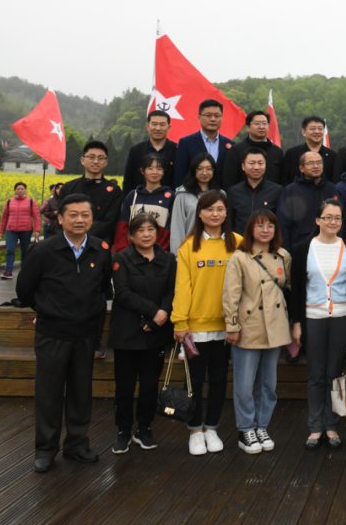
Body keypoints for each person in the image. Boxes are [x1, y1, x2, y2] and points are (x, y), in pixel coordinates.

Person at [18, 193, 110, 473]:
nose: (79, 220)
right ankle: (45, 449)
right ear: (59, 218)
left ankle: (77, 445)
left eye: (85, 215)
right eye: (73, 215)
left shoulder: (100, 249)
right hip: (53, 333)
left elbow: (103, 287)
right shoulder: (43, 250)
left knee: (81, 391)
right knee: (49, 392)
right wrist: (47, 309)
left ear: (92, 219)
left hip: (86, 334)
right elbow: (24, 290)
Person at [172, 190, 241, 456]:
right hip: (195, 328)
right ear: (199, 214)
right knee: (195, 381)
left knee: (219, 378)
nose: (215, 214)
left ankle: (211, 428)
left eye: (220, 209)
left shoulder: (238, 242)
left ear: (226, 213)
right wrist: (180, 322)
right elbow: (182, 287)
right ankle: (195, 430)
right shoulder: (189, 246)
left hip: (227, 326)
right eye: (209, 209)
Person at [288, 200, 346, 449]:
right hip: (313, 318)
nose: (333, 222)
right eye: (328, 217)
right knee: (316, 375)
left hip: (343, 318)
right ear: (317, 220)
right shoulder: (303, 249)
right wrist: (297, 322)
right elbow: (296, 290)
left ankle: (332, 426)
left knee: (334, 374)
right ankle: (315, 427)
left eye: (337, 218)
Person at [223, 209, 291, 455]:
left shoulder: (283, 256)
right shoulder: (239, 257)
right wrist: (232, 325)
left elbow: (288, 289)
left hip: (275, 327)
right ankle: (245, 429)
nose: (265, 230)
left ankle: (262, 426)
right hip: (249, 327)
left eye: (270, 226)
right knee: (244, 384)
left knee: (268, 383)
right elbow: (230, 295)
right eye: (260, 225)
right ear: (250, 229)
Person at [108, 213, 175, 455]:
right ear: (131, 235)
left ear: (158, 233)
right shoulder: (121, 258)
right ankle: (123, 430)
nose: (146, 234)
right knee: (124, 386)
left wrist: (160, 316)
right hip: (127, 331)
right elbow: (123, 293)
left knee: (149, 385)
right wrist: (153, 312)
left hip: (155, 331)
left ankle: (144, 427)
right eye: (140, 230)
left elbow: (171, 291)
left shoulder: (168, 259)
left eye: (151, 229)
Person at [57, 140, 123, 245]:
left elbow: (110, 221)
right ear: (82, 160)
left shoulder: (114, 191)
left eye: (100, 158)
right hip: (70, 241)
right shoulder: (68, 188)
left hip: (101, 243)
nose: (96, 161)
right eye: (91, 157)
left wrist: (86, 239)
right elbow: (62, 216)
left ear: (106, 162)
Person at [114, 153, 174, 253]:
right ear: (142, 171)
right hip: (132, 254)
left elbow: (170, 230)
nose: (155, 172)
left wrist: (159, 254)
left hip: (159, 254)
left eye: (159, 169)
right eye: (150, 168)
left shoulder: (171, 197)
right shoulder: (133, 195)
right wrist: (124, 253)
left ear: (164, 172)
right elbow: (122, 228)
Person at [278, 151, 338, 250]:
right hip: (300, 247)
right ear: (301, 168)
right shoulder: (291, 190)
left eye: (319, 162)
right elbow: (283, 225)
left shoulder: (331, 188)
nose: (316, 166)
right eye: (311, 163)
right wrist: (285, 251)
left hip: (328, 246)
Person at [173, 99, 235, 186]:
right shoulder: (186, 143)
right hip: (193, 192)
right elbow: (180, 174)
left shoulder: (231, 145)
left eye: (217, 116)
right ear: (199, 118)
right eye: (208, 115)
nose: (213, 119)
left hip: (221, 193)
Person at [169, 153, 222, 253]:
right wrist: (177, 255)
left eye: (209, 169)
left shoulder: (221, 195)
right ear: (193, 170)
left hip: (216, 250)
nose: (205, 172)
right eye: (200, 168)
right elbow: (177, 228)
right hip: (190, 250)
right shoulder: (182, 195)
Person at [226, 147, 283, 236]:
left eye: (260, 163)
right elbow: (230, 222)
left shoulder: (277, 191)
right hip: (240, 241)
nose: (256, 167)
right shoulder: (234, 192)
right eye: (251, 163)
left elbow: (281, 223)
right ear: (243, 166)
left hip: (266, 241)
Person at [222, 110, 283, 190]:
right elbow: (229, 179)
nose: (261, 127)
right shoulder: (237, 150)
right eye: (257, 123)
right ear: (248, 127)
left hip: (272, 196)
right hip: (243, 195)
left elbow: (282, 179)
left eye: (265, 123)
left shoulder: (277, 151)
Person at [123, 110, 178, 190]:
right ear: (147, 126)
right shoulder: (136, 150)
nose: (158, 128)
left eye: (162, 124)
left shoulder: (177, 149)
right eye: (154, 124)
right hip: (141, 196)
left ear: (169, 127)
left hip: (170, 196)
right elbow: (128, 180)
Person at [0, 180, 40, 279]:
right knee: (10, 250)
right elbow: (4, 217)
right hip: (11, 229)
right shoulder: (9, 202)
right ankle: (8, 271)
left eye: (22, 189)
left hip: (26, 229)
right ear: (15, 190)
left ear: (25, 190)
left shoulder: (31, 201)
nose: (20, 191)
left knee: (25, 250)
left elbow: (36, 216)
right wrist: (1, 231)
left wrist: (37, 230)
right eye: (18, 189)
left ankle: (24, 270)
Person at [281, 116, 338, 186]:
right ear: (304, 132)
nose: (317, 132)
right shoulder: (292, 153)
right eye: (312, 129)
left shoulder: (332, 155)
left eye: (320, 129)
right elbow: (285, 180)